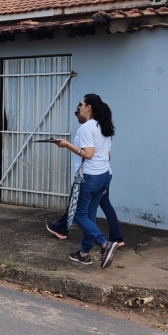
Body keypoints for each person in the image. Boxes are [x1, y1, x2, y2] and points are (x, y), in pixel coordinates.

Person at [52, 94, 119, 269]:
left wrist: (66, 145)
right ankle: (83, 253)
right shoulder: (103, 126)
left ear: (89, 107)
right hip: (103, 176)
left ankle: (105, 244)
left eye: (81, 104)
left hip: (89, 177)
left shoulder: (87, 127)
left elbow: (88, 154)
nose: (79, 107)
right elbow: (107, 154)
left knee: (77, 215)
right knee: (89, 215)